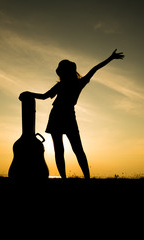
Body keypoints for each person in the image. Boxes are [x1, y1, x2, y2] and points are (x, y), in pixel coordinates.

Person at [19, 49, 124, 179]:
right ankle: (70, 178)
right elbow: (44, 96)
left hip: (65, 116)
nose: (60, 73)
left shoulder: (77, 83)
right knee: (67, 150)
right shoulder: (65, 84)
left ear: (65, 72)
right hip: (59, 116)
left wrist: (110, 58)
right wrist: (29, 93)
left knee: (74, 150)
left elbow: (95, 68)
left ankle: (84, 178)